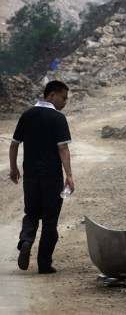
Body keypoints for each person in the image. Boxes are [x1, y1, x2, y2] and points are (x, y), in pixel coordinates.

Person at [9, 80, 74, 274]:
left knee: (31, 213)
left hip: (30, 175)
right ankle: (44, 264)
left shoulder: (27, 115)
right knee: (49, 220)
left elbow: (14, 144)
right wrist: (69, 175)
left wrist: (13, 168)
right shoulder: (57, 118)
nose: (64, 102)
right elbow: (62, 148)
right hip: (51, 176)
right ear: (52, 95)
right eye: (63, 98)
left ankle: (26, 240)